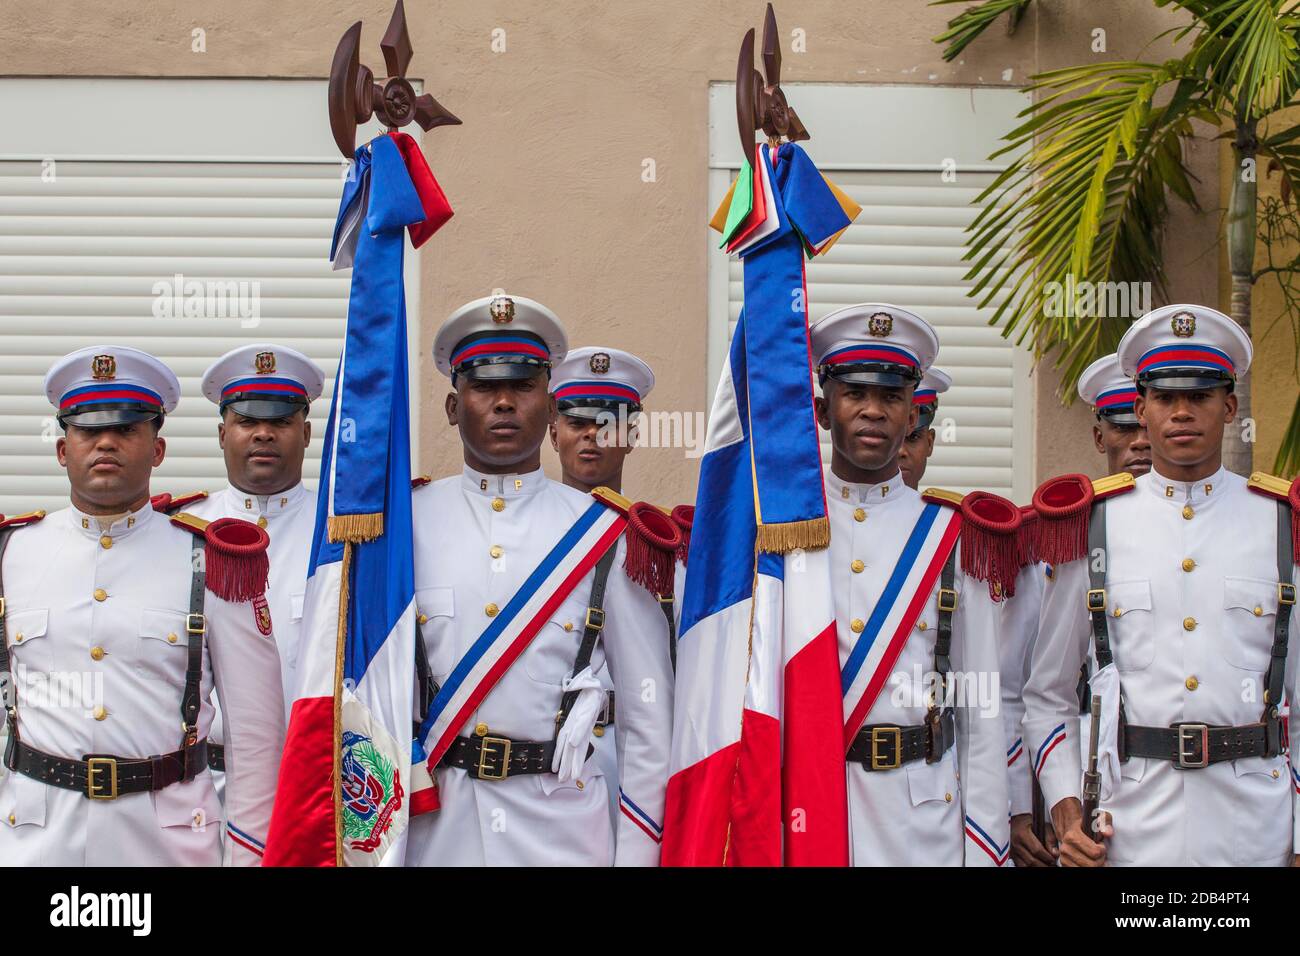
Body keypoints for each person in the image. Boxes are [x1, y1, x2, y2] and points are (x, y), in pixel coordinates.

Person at [406, 293, 677, 866]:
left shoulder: (607, 533)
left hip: (562, 832)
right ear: (454, 407)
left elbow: (648, 725)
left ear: (550, 407)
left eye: (524, 386)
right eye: (484, 387)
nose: (504, 402)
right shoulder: (406, 526)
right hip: (434, 830)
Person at [1023, 304, 1299, 866]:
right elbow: (1047, 693)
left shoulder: (1280, 524)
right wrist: (1065, 804)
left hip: (1255, 830)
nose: (1181, 413)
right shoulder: (1094, 523)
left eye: (1198, 397)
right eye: (1164, 398)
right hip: (1130, 829)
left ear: (1228, 407)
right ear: (1141, 410)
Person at [0, 346, 284, 865]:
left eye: (127, 429)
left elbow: (256, 736)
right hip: (34, 843)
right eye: (88, 430)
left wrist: (248, 858)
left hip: (166, 843)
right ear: (63, 450)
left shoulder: (211, 559)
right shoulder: (11, 553)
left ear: (157, 449)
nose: (106, 441)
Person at [810, 303, 1012, 866]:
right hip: (809, 808)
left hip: (921, 820)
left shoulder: (952, 535)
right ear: (825, 411)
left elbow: (982, 709)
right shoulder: (779, 528)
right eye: (855, 394)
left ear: (913, 418)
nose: (874, 411)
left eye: (892, 397)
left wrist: (987, 848)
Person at [1008, 353, 1152, 866]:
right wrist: (1032, 804)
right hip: (1084, 773)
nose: (1140, 440)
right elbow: (1025, 688)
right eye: (1124, 426)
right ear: (1100, 438)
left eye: (1146, 421)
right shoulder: (1062, 531)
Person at [898, 367, 950, 491]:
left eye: (913, 437)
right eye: (890, 438)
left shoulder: (945, 511)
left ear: (930, 443)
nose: (900, 451)